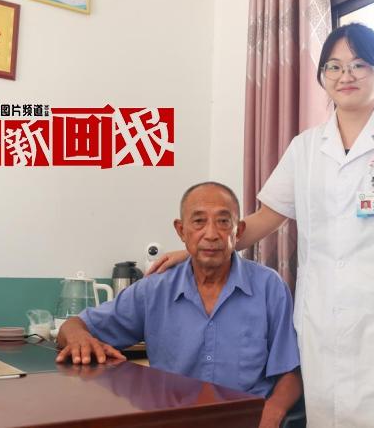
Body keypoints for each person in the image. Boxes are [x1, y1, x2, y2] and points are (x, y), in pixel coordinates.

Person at [149, 23, 374, 427]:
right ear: (322, 76)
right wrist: (200, 249)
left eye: (358, 64)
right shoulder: (305, 148)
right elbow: (265, 218)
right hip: (323, 323)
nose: (345, 75)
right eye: (334, 66)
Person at [56, 182, 303, 428]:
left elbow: (291, 371)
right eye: (199, 222)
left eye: (223, 221)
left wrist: (273, 412)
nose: (211, 234)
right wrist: (78, 337)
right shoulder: (154, 289)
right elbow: (73, 326)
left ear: (238, 231)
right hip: (174, 421)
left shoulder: (269, 287)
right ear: (181, 231)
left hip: (245, 421)